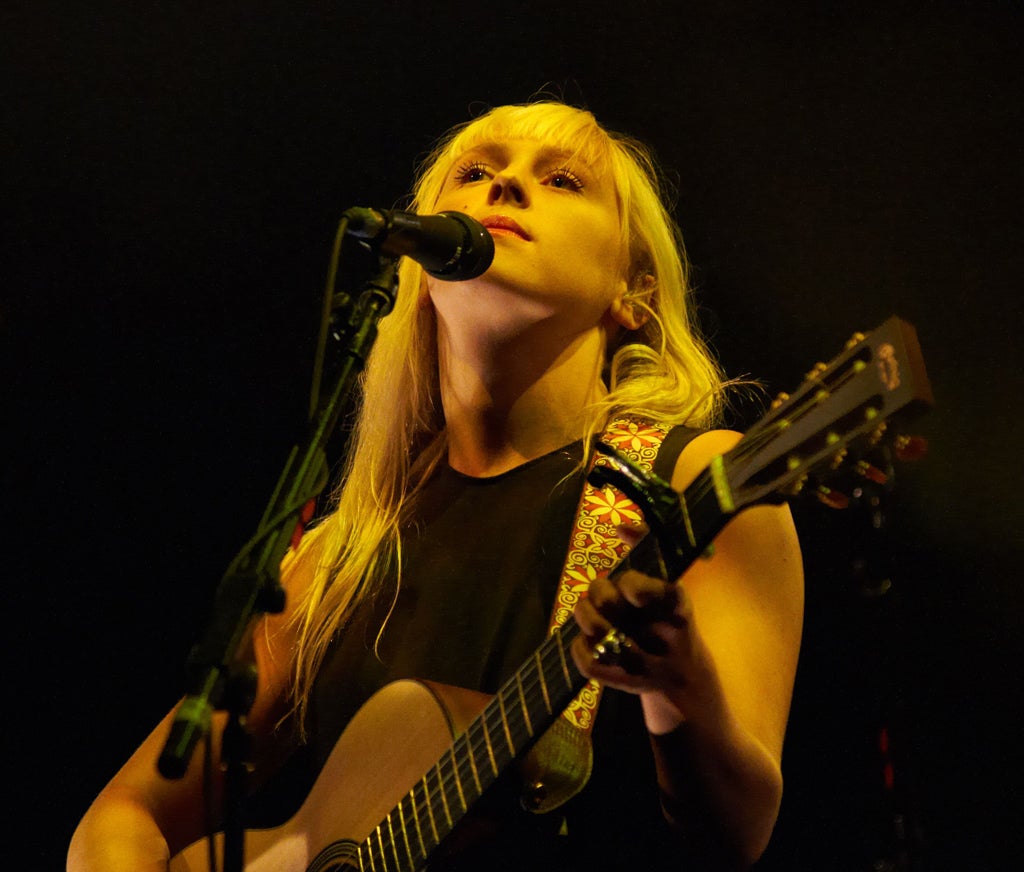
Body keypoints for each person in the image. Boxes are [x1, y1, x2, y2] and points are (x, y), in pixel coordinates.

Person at [68, 100, 803, 871]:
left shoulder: (689, 482)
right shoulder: (343, 557)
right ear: (421, 271)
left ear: (636, 293)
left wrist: (681, 687)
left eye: (561, 180)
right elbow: (121, 819)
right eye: (476, 173)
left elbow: (737, 835)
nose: (507, 187)